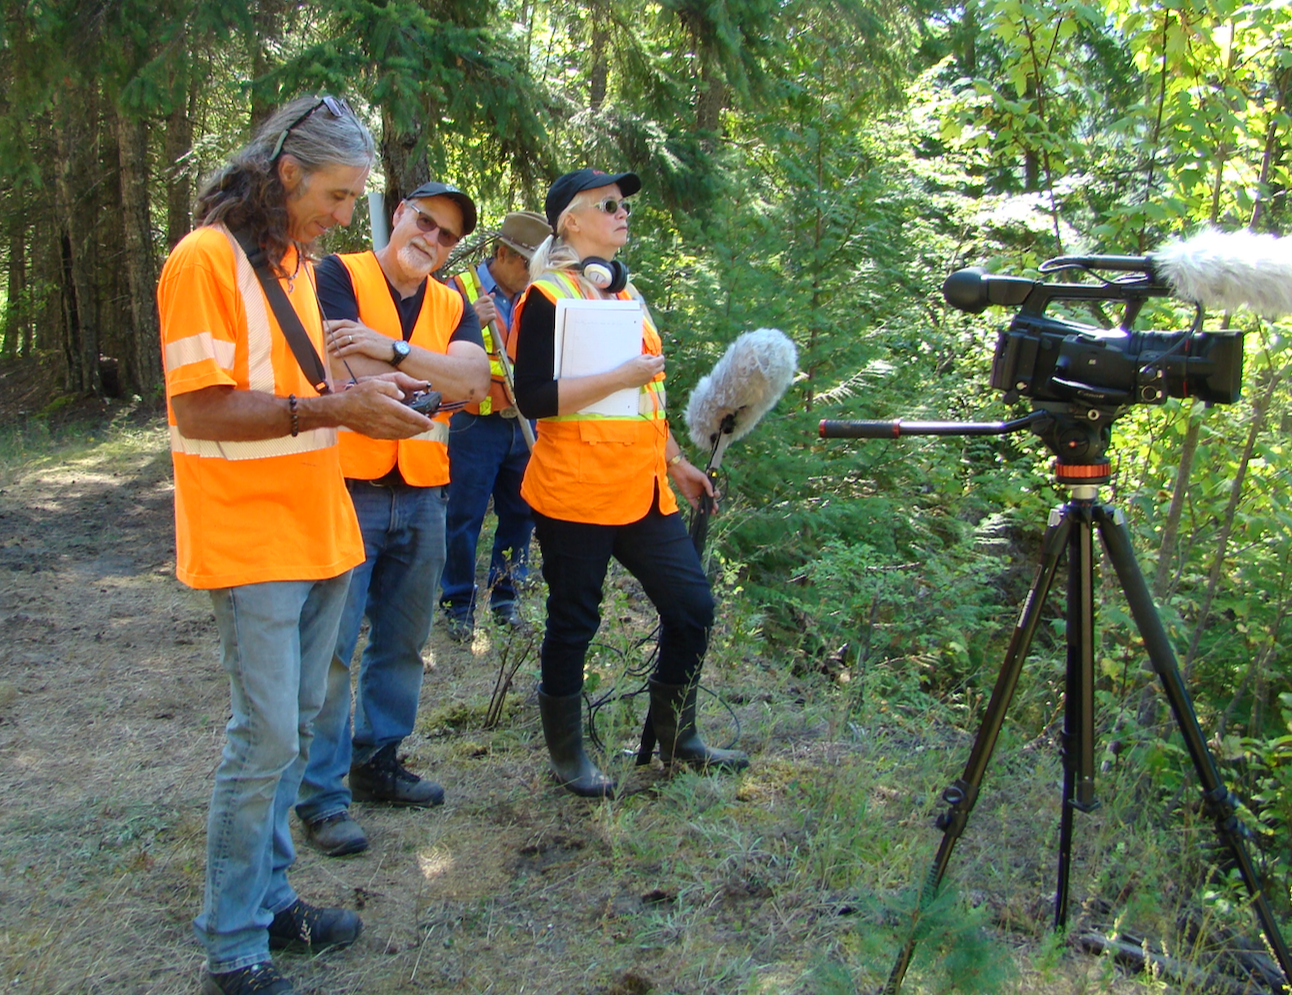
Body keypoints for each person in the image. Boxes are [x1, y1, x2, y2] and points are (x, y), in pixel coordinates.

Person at [160, 95, 437, 995]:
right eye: (339, 194)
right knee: (264, 736)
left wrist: (381, 403)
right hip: (251, 538)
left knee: (296, 733)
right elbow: (199, 405)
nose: (347, 215)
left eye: (355, 198)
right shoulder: (203, 259)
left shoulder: (292, 262)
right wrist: (333, 407)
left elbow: (306, 388)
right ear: (287, 175)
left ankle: (274, 900)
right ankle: (232, 947)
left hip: (321, 529)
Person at [511, 168, 750, 799]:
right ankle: (568, 758)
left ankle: (675, 737)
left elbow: (644, 400)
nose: (623, 213)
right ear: (572, 221)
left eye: (623, 205)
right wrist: (619, 374)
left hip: (644, 490)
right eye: (608, 205)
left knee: (693, 607)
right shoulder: (545, 299)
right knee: (574, 621)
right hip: (575, 492)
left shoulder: (626, 296)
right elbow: (533, 397)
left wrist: (676, 462)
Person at [293, 182, 491, 858]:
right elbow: (332, 358)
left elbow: (476, 383)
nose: (431, 240)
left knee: (404, 643)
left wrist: (394, 353)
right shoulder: (335, 273)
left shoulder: (451, 300)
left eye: (446, 236)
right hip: (346, 484)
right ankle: (320, 796)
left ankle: (377, 760)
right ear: (399, 212)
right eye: (425, 222)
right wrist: (435, 378)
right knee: (331, 651)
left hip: (424, 492)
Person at [440, 210, 552, 641]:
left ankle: (506, 600)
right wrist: (469, 320)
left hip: (523, 422)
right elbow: (432, 351)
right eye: (526, 263)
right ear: (502, 254)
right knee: (464, 516)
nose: (531, 272)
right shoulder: (458, 291)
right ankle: (458, 606)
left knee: (520, 513)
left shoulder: (537, 297)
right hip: (474, 424)